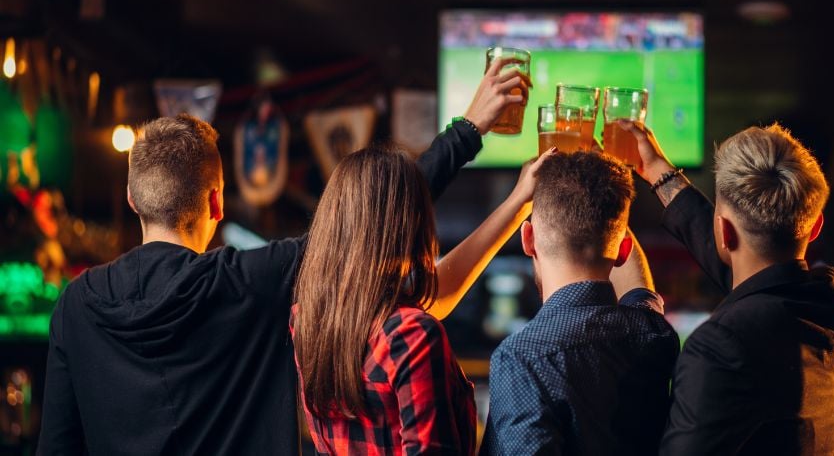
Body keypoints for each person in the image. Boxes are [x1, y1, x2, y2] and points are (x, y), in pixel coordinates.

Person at [36, 59, 531, 455]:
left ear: (131, 198)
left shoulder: (75, 306)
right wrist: (468, 131)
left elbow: (57, 447)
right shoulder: (246, 282)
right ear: (217, 202)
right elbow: (372, 218)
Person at [292, 146, 553, 455]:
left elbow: (436, 295)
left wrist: (518, 201)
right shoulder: (411, 334)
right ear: (411, 226)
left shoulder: (307, 318)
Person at [622, 122, 834, 455]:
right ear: (815, 225)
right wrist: (659, 173)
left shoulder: (720, 346)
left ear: (723, 231)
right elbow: (755, 277)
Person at [481, 152, 680, 456]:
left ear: (528, 239)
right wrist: (606, 206)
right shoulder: (653, 332)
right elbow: (641, 290)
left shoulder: (520, 359)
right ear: (623, 250)